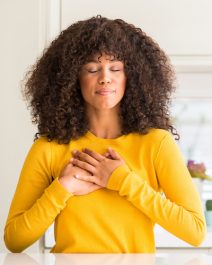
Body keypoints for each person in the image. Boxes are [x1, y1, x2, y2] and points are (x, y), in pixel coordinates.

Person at [4, 15, 206, 253]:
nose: (105, 77)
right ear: (72, 79)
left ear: (132, 76)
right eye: (91, 69)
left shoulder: (157, 143)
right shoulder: (50, 147)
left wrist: (122, 180)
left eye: (115, 68)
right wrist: (62, 188)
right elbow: (15, 240)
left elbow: (194, 231)